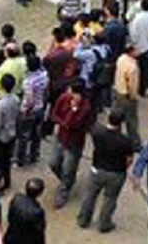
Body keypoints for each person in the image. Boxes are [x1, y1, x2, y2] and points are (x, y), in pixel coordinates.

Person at [77, 109, 135, 232]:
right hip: (116, 172)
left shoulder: (97, 133)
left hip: (97, 169)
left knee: (90, 196)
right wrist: (123, 168)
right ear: (121, 123)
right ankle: (104, 223)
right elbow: (129, 159)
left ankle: (83, 220)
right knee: (110, 199)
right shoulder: (125, 140)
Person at [50, 80, 94, 208]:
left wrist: (73, 110)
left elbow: (73, 124)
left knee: (68, 168)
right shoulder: (63, 98)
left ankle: (64, 190)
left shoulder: (85, 107)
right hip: (60, 137)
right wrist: (63, 123)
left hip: (74, 142)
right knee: (53, 163)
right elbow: (54, 115)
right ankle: (67, 181)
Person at [0, 73, 20, 191]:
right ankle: (6, 181)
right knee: (6, 161)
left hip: (0, 138)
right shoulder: (16, 99)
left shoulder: (0, 105)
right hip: (11, 134)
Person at [112, 43, 141, 148]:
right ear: (131, 52)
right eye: (137, 50)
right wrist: (134, 96)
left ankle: (115, 138)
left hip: (118, 90)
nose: (139, 52)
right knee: (131, 120)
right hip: (127, 95)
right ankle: (135, 142)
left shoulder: (121, 59)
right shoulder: (132, 67)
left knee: (117, 116)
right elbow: (132, 84)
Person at [6, 177, 48, 244]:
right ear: (40, 193)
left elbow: (9, 217)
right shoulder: (37, 212)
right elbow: (39, 232)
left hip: (12, 236)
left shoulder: (16, 198)